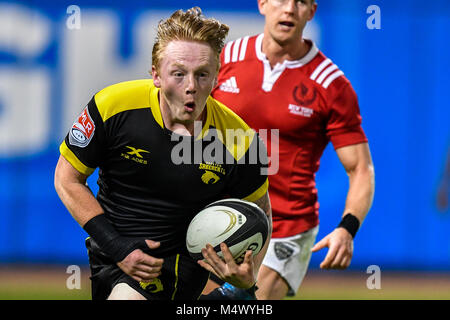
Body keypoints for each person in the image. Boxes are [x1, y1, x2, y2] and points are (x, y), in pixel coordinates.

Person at [54, 7, 272, 300]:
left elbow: (261, 213)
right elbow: (67, 179)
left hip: (180, 265)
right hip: (110, 252)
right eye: (179, 74)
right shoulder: (112, 108)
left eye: (202, 74)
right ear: (156, 75)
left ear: (217, 78)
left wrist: (245, 279)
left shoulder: (241, 141)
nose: (191, 87)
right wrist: (118, 248)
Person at [207, 0, 375, 299]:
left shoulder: (331, 84)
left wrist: (347, 228)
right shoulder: (226, 57)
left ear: (311, 11)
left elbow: (360, 168)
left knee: (242, 302)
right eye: (281, 0)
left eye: (300, 2)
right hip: (219, 215)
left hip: (286, 225)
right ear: (262, 4)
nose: (289, 9)